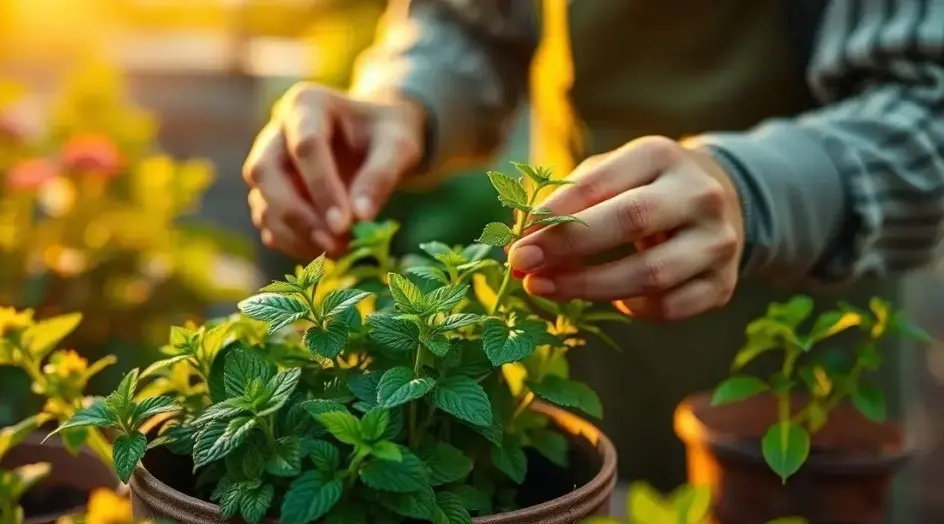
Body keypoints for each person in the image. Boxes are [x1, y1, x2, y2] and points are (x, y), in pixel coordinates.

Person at [242, 0, 944, 487]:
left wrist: (756, 190)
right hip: (573, 329)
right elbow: (469, 22)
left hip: (801, 349)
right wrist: (403, 100)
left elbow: (926, 105)